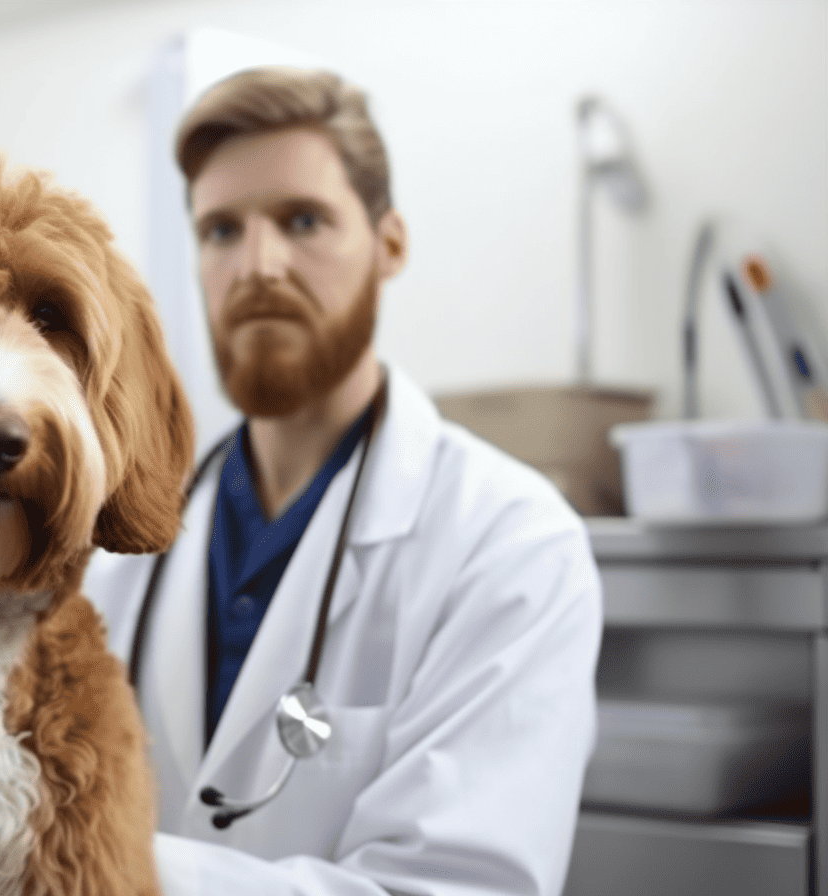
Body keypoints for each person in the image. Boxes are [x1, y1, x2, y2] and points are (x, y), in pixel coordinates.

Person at [83, 66, 602, 896]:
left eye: (302, 220)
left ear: (389, 244)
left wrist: (79, 871)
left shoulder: (508, 544)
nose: (258, 265)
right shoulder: (117, 553)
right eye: (221, 230)